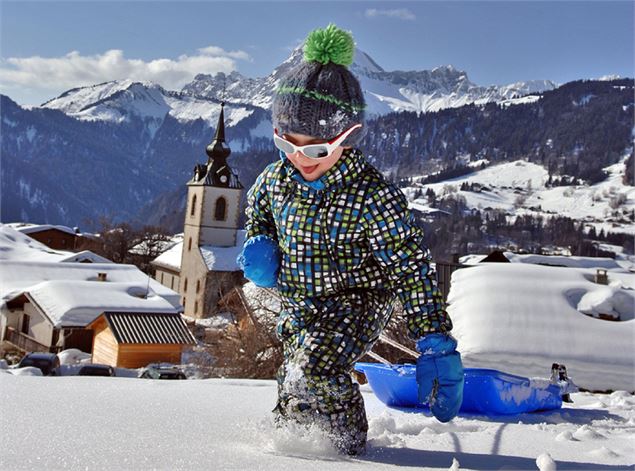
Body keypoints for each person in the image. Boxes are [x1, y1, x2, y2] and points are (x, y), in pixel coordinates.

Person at [237, 23, 464, 455]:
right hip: (300, 300)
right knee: (292, 378)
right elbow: (258, 210)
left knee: (316, 371)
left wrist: (433, 338)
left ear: (346, 138)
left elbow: (410, 267)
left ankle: (344, 447)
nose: (300, 158)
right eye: (287, 144)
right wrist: (260, 241)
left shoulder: (372, 196)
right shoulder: (275, 179)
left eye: (316, 149)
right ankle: (295, 441)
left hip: (357, 299)